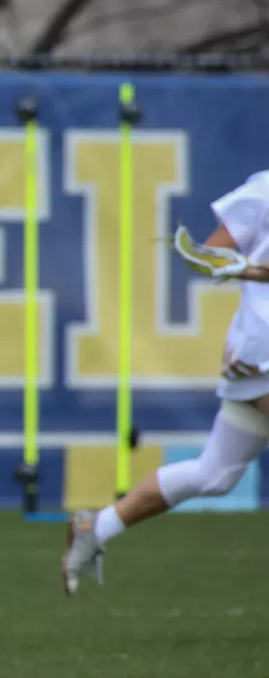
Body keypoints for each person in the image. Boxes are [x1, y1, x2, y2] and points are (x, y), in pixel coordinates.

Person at [63, 170, 269, 593]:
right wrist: (250, 270)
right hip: (262, 347)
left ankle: (94, 527)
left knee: (214, 474)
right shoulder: (265, 189)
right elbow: (207, 255)